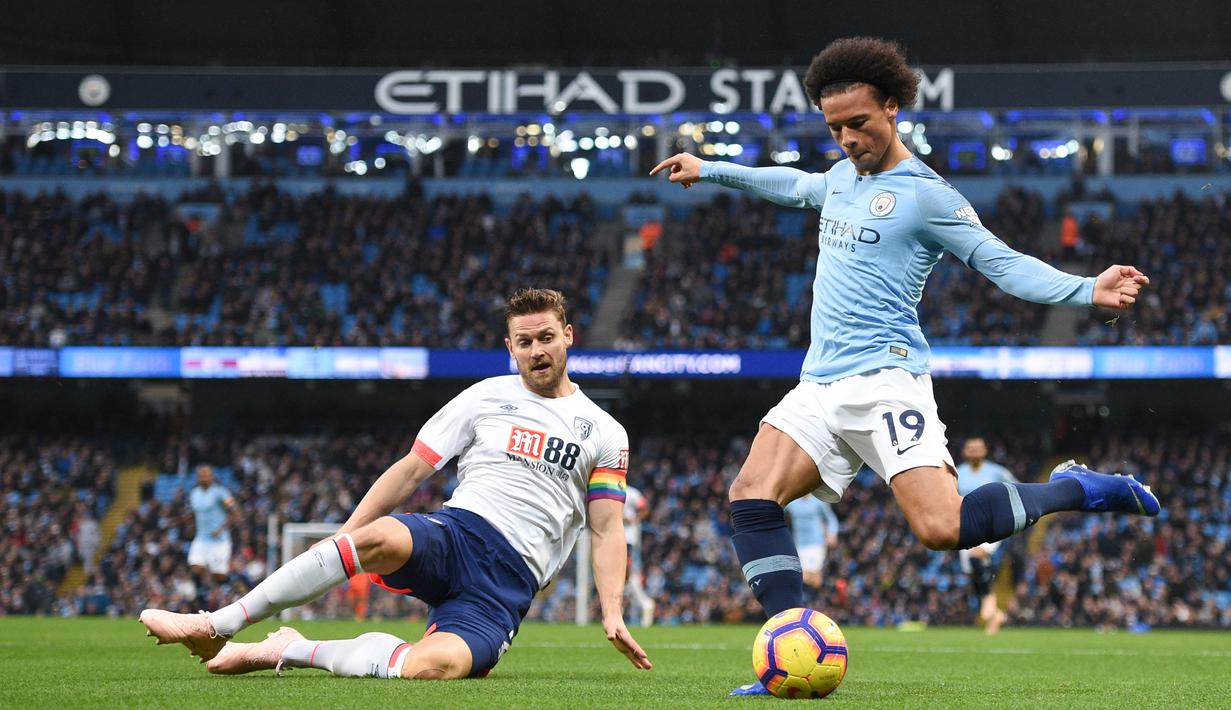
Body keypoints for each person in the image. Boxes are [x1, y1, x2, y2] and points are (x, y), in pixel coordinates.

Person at [650, 37, 1158, 695]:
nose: (846, 139)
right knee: (751, 492)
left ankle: (1076, 489)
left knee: (941, 529)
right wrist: (712, 168)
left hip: (885, 383)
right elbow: (797, 185)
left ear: (891, 108)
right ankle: (788, 651)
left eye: (857, 124)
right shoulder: (838, 177)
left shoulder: (925, 196)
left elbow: (998, 262)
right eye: (833, 128)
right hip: (817, 384)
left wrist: (1086, 288)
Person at [140, 288, 652, 680]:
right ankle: (217, 625)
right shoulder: (483, 397)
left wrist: (613, 613)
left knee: (434, 669)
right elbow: (411, 469)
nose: (537, 350)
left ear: (568, 334)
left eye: (546, 337)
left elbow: (606, 530)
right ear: (509, 347)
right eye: (525, 341)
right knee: (378, 535)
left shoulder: (605, 431)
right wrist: (345, 534)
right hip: (458, 534)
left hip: (506, 585)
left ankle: (288, 648)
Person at [954, 437, 1018, 635]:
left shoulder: (997, 471)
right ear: (965, 451)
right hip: (966, 527)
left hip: (992, 525)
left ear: (985, 450)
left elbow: (1016, 488)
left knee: (975, 556)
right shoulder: (957, 472)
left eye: (978, 448)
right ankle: (996, 614)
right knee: (973, 571)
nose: (974, 452)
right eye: (970, 448)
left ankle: (989, 600)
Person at [187, 465, 236, 585]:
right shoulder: (194, 494)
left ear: (212, 477)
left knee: (219, 577)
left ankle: (234, 585)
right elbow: (194, 513)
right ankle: (200, 597)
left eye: (207, 475)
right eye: (201, 476)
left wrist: (220, 529)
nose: (204, 478)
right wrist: (190, 527)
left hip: (219, 540)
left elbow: (235, 512)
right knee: (195, 568)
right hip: (201, 538)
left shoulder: (221, 492)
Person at [785, 495, 839, 591]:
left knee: (815, 580)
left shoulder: (818, 501)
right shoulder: (793, 503)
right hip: (800, 544)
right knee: (803, 577)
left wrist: (832, 533)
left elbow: (831, 518)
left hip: (817, 543)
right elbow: (778, 510)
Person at [623, 484, 655, 627]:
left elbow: (645, 508)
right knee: (621, 576)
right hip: (611, 536)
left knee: (624, 572)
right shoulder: (607, 487)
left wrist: (635, 519)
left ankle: (642, 603)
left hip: (627, 537)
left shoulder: (631, 493)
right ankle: (643, 603)